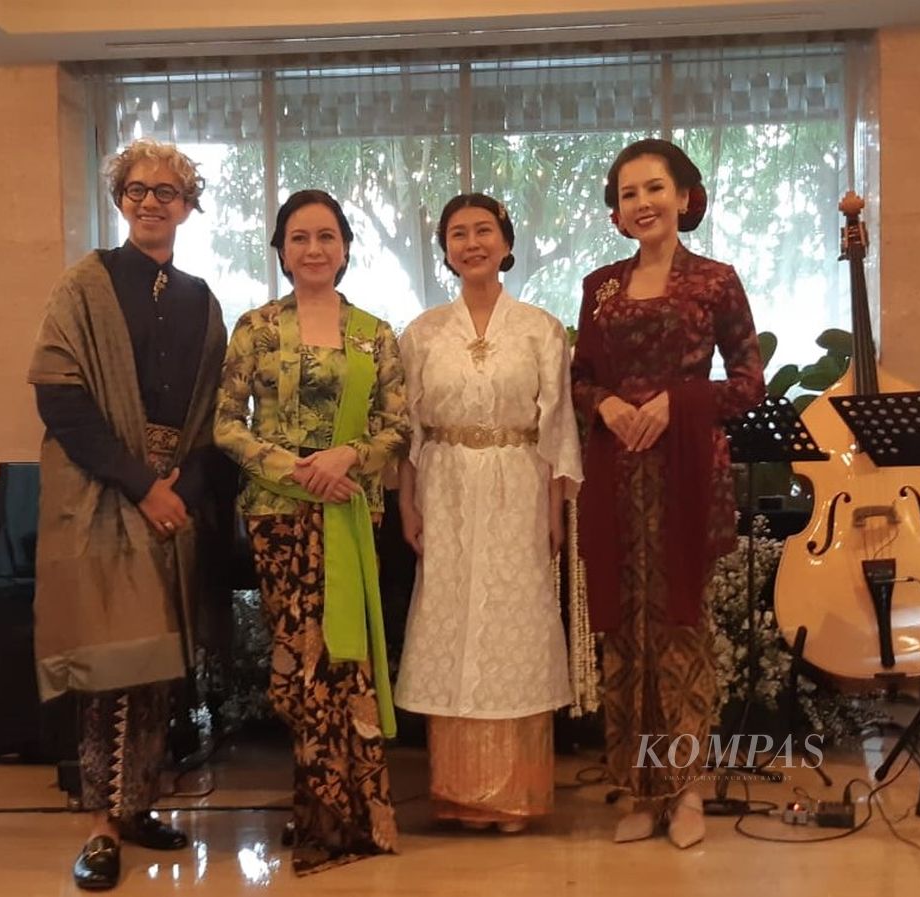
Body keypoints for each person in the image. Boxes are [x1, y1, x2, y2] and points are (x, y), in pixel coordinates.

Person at [28, 138, 227, 889]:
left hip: (172, 503)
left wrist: (184, 486)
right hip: (103, 497)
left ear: (188, 204)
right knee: (111, 667)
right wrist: (141, 482)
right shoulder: (83, 285)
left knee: (156, 668)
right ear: (119, 199)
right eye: (137, 189)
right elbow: (60, 397)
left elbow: (212, 414)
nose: (151, 201)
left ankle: (138, 801)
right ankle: (101, 826)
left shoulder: (199, 298)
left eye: (167, 190)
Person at [571, 139, 764, 849]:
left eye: (655, 188)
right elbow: (581, 376)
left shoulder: (715, 281)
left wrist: (677, 402)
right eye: (628, 193)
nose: (642, 202)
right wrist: (609, 406)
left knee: (683, 635)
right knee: (625, 636)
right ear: (617, 212)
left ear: (685, 197)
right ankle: (641, 786)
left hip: (686, 475)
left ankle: (688, 791)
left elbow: (748, 382)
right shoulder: (601, 287)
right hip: (616, 475)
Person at [213, 189, 407, 874]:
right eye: (300, 237)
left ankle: (356, 817)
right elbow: (227, 424)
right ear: (282, 250)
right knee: (298, 661)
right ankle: (320, 810)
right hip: (277, 514)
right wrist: (300, 469)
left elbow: (398, 426)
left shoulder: (375, 333)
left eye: (327, 236)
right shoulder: (257, 328)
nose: (314, 248)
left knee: (344, 658)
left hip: (352, 511)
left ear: (347, 247)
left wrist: (347, 458)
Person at [394, 193, 583, 833]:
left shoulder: (540, 328)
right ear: (444, 249)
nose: (471, 243)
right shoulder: (420, 333)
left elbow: (557, 427)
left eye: (483, 231)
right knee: (451, 619)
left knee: (513, 623)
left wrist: (557, 509)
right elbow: (408, 431)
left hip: (519, 486)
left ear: (505, 241)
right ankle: (459, 792)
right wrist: (408, 501)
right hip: (445, 485)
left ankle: (517, 794)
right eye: (457, 233)